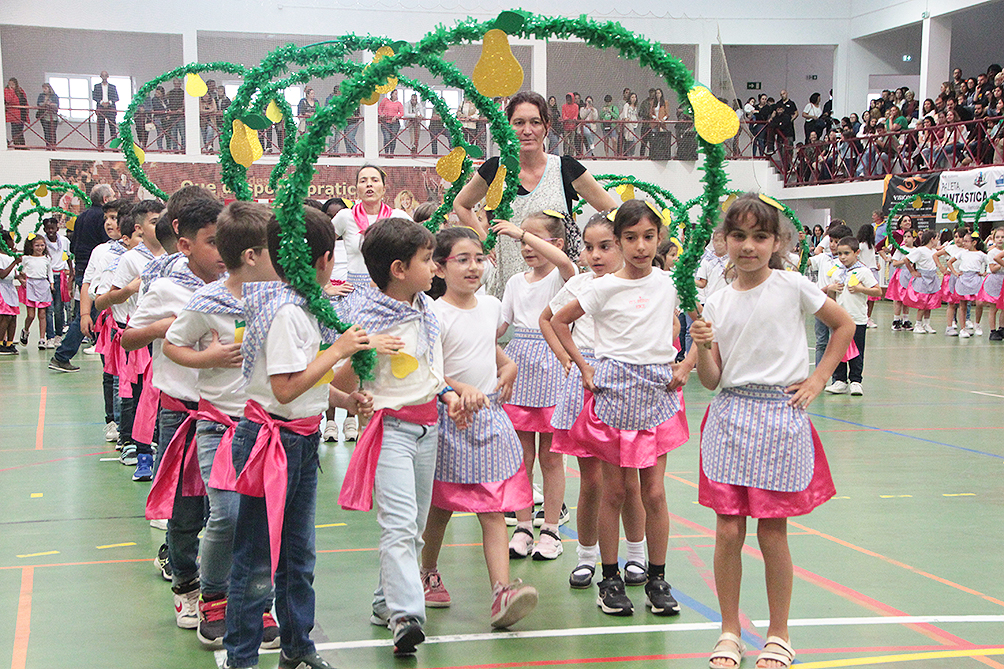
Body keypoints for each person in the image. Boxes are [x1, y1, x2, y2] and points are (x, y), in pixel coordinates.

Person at [692, 194, 853, 669]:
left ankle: (779, 635)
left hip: (780, 417)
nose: (748, 246)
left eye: (760, 236)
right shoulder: (716, 300)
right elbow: (711, 379)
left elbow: (843, 325)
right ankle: (729, 631)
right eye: (739, 236)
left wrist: (819, 378)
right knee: (727, 531)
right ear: (724, 240)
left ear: (777, 241)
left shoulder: (792, 285)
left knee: (772, 532)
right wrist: (702, 346)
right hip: (730, 416)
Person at [225, 206, 371, 669]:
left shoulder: (299, 306)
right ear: (325, 260)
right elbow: (286, 388)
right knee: (256, 557)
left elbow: (302, 380)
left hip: (300, 438)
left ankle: (297, 643)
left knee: (298, 552)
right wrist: (339, 350)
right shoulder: (286, 311)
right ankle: (242, 656)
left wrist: (344, 401)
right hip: (273, 441)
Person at [551, 200, 688, 618]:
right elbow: (558, 321)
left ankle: (657, 577)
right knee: (612, 491)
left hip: (658, 393)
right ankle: (609, 579)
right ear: (620, 240)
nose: (641, 246)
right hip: (614, 393)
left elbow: (703, 324)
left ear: (660, 238)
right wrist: (583, 366)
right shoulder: (602, 287)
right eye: (630, 238)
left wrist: (686, 365)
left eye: (648, 237)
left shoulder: (670, 284)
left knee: (654, 493)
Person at [334, 217, 464, 658]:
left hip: (429, 427)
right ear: (398, 269)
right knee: (400, 523)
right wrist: (364, 348)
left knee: (415, 528)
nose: (435, 268)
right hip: (389, 429)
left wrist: (447, 394)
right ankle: (407, 615)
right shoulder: (362, 317)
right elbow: (339, 380)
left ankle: (383, 600)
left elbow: (430, 370)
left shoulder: (426, 309)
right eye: (427, 260)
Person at [161, 201, 281, 648]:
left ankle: (257, 600)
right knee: (226, 513)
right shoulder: (206, 301)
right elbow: (173, 345)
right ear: (250, 256)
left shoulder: (279, 297)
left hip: (266, 426)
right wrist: (206, 357)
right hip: (218, 425)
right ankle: (214, 595)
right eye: (273, 250)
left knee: (262, 517)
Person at [419, 226, 539, 628]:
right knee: (441, 508)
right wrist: (460, 389)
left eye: (479, 258)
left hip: (488, 416)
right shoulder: (435, 314)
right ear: (439, 268)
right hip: (452, 418)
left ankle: (501, 592)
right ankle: (428, 571)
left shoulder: (490, 306)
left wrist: (509, 365)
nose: (473, 267)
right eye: (462, 260)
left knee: (492, 507)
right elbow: (433, 370)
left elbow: (488, 347)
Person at [121, 199, 226, 627]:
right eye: (212, 242)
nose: (222, 251)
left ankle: (220, 588)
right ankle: (185, 582)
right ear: (185, 245)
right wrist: (167, 327)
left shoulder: (238, 287)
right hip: (180, 411)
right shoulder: (165, 287)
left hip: (225, 413)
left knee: (224, 508)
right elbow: (128, 339)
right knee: (185, 508)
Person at [540, 212, 648, 589]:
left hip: (627, 384)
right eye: (589, 247)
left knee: (630, 481)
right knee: (592, 481)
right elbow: (547, 319)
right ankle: (587, 557)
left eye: (606, 246)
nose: (596, 255)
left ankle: (636, 554)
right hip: (587, 383)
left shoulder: (637, 284)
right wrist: (568, 358)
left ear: (622, 245)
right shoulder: (580, 284)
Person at [453, 91, 616, 298]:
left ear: (547, 126)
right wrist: (486, 242)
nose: (527, 131)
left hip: (555, 294)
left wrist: (589, 249)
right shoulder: (495, 169)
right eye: (519, 123)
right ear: (508, 127)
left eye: (535, 122)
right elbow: (461, 204)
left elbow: (613, 212)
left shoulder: (565, 168)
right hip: (507, 290)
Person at [493, 212, 577, 560]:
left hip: (555, 366)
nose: (525, 246)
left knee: (551, 457)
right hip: (520, 369)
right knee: (521, 455)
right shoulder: (515, 282)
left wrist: (520, 233)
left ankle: (551, 530)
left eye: (533, 239)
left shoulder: (563, 278)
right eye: (522, 241)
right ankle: (524, 526)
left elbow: (566, 262)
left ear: (556, 244)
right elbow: (501, 325)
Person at [822, 236, 883, 396]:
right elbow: (833, 297)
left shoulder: (863, 271)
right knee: (838, 350)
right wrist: (831, 289)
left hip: (857, 318)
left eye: (846, 253)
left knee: (857, 351)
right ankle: (840, 380)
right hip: (839, 320)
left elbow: (877, 291)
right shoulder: (837, 272)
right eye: (840, 254)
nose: (842, 257)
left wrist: (861, 289)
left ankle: (856, 381)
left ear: (856, 253)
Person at [807, 224, 851, 367]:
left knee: (837, 341)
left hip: (838, 307)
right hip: (821, 305)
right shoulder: (823, 258)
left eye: (836, 242)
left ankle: (837, 374)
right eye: (831, 241)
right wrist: (803, 244)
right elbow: (806, 262)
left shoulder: (846, 263)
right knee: (821, 341)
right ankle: (820, 372)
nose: (832, 245)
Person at [947, 229, 988, 338]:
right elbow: (950, 262)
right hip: (963, 279)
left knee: (979, 302)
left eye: (966, 241)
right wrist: (955, 272)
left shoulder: (981, 254)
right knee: (963, 304)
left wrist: (984, 273)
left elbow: (990, 263)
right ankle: (963, 328)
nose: (963, 243)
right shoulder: (962, 253)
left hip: (976, 279)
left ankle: (977, 324)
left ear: (974, 243)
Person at [900, 230, 942, 335]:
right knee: (923, 303)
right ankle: (918, 324)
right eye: (937, 238)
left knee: (930, 303)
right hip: (923, 278)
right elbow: (906, 260)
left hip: (932, 277)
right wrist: (912, 271)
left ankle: (926, 323)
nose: (938, 241)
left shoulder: (934, 251)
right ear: (932, 239)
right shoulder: (920, 250)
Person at [18, 234, 53, 349]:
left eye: (42, 245)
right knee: (31, 315)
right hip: (30, 285)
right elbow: (19, 271)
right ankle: (25, 330)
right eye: (37, 245)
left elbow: (49, 272)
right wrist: (22, 279)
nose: (40, 248)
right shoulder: (26, 258)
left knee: (42, 314)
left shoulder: (46, 259)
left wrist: (51, 284)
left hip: (43, 285)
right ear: (31, 246)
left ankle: (42, 339)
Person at [42, 217, 72, 347]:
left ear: (57, 229)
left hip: (60, 277)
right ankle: (50, 336)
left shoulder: (64, 241)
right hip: (46, 277)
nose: (50, 231)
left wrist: (71, 273)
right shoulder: (42, 241)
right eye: (47, 228)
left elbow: (68, 257)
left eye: (52, 228)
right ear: (44, 229)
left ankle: (59, 335)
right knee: (49, 309)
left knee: (59, 308)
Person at [880, 229, 916, 331]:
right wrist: (905, 261)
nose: (906, 239)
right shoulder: (901, 249)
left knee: (907, 298)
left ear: (914, 238)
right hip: (901, 274)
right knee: (898, 298)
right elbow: (895, 263)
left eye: (909, 237)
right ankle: (896, 319)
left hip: (910, 275)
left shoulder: (916, 250)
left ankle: (906, 319)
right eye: (905, 237)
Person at [978, 227, 1004, 340]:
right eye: (997, 237)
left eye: (1002, 237)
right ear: (993, 239)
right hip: (995, 280)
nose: (1000, 239)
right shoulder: (992, 252)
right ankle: (993, 330)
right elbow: (993, 269)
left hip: (1003, 279)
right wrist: (1001, 263)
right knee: (993, 307)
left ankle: (1002, 328)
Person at [0, 230, 21, 354]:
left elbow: (13, 274)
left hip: (10, 288)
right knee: (5, 316)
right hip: (2, 288)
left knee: (13, 316)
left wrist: (20, 277)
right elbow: (2, 274)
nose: (13, 242)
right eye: (11, 240)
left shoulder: (10, 256)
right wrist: (14, 262)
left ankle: (9, 343)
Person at [856, 224, 880, 328]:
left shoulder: (871, 246)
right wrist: (862, 265)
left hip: (873, 271)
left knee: (872, 298)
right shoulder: (861, 245)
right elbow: (856, 257)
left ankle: (868, 317)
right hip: (866, 272)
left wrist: (876, 264)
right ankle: (865, 317)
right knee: (866, 297)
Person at [92, 71, 119, 148]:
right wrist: (101, 102)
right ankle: (101, 146)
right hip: (101, 108)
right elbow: (94, 96)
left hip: (111, 109)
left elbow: (116, 97)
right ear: (100, 76)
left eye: (105, 75)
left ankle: (114, 147)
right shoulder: (96, 86)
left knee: (113, 128)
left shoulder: (112, 87)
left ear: (108, 76)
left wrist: (109, 103)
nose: (104, 77)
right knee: (100, 128)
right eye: (103, 75)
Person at [378, 89, 404, 155]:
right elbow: (380, 108)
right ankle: (386, 152)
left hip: (394, 123)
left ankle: (392, 152)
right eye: (395, 94)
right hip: (385, 122)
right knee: (387, 137)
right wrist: (381, 114)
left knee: (393, 138)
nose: (396, 95)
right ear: (392, 94)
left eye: (397, 94)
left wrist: (396, 116)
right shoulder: (385, 100)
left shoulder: (399, 104)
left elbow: (402, 113)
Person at [5, 78, 28, 147]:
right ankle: (17, 145)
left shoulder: (20, 91)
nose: (11, 86)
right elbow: (8, 99)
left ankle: (22, 146)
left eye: (13, 84)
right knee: (15, 131)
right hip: (14, 115)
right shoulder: (7, 90)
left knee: (21, 131)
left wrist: (27, 111)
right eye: (9, 84)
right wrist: (11, 91)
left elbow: (25, 101)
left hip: (22, 114)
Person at [36, 82, 60, 148]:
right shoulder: (41, 95)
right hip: (44, 117)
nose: (44, 90)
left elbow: (56, 104)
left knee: (53, 132)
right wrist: (45, 103)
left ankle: (53, 146)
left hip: (53, 117)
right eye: (43, 88)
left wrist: (50, 104)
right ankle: (48, 146)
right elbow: (39, 103)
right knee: (46, 132)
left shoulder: (54, 96)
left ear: (49, 88)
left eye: (45, 88)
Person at [620, 92, 640, 156]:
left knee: (631, 141)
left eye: (635, 97)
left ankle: (630, 155)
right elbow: (625, 114)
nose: (634, 99)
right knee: (632, 140)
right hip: (628, 125)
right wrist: (626, 118)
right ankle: (631, 154)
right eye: (632, 97)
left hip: (634, 125)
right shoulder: (627, 105)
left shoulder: (635, 106)